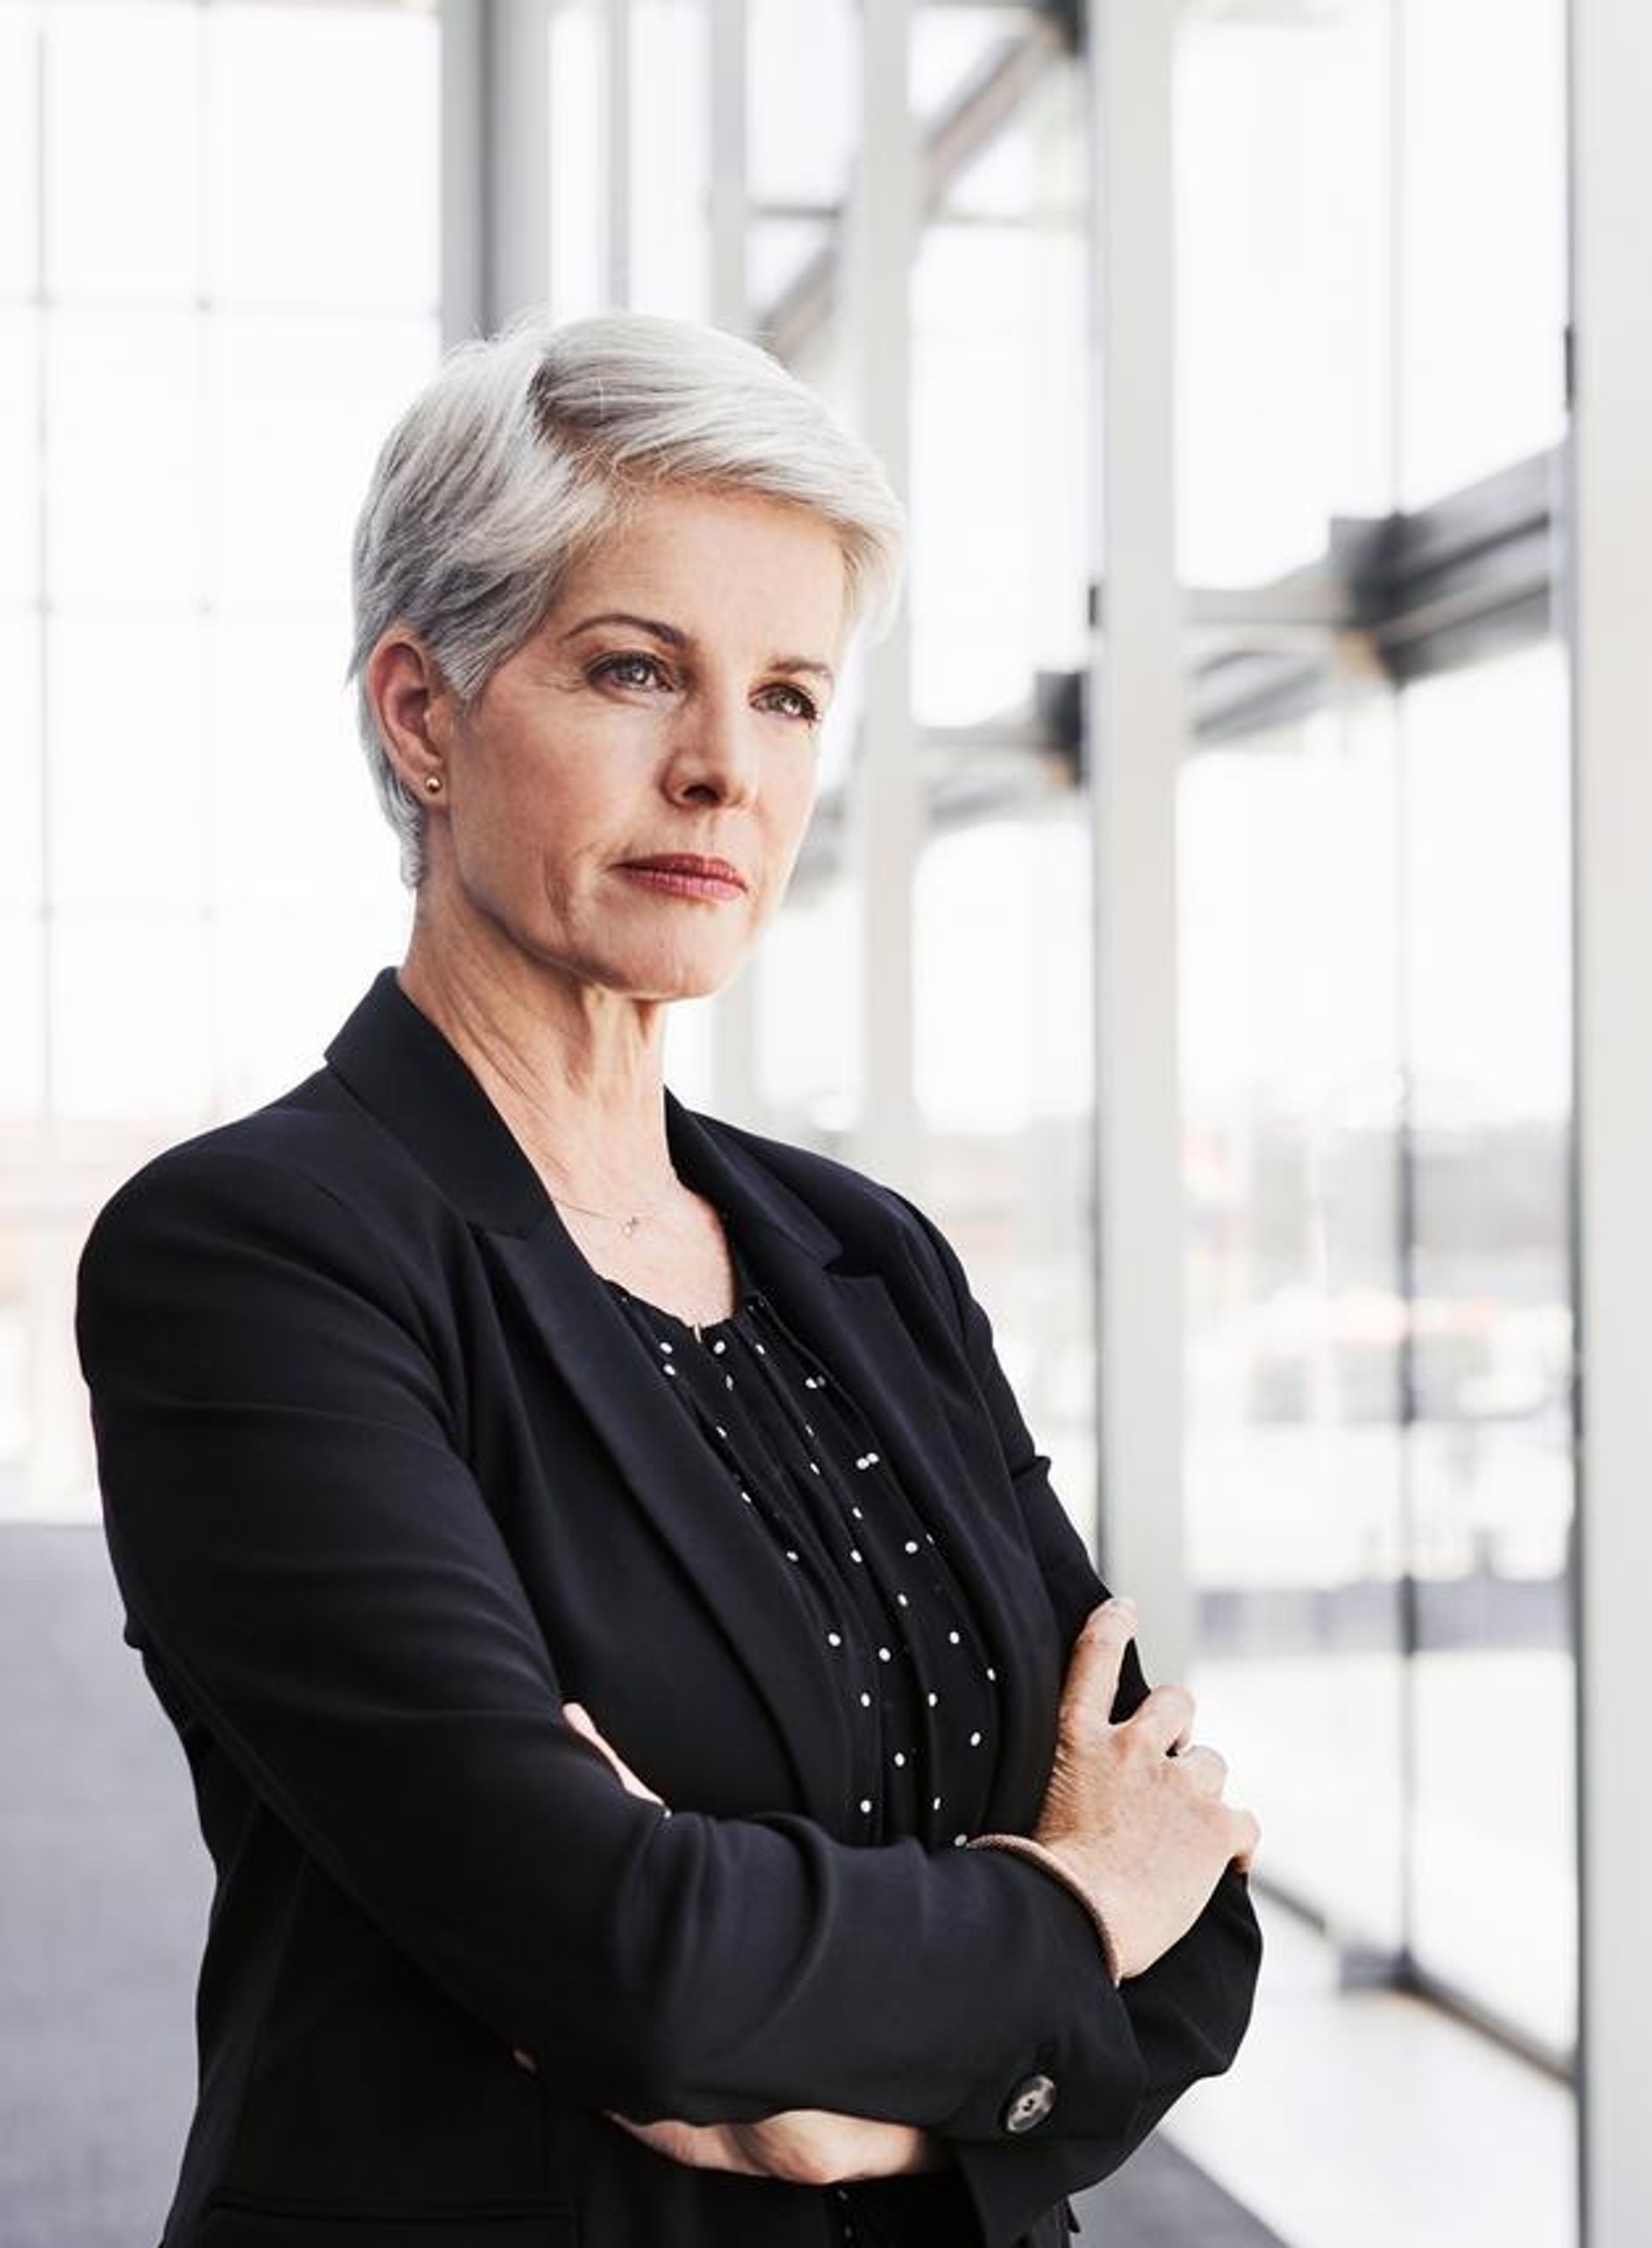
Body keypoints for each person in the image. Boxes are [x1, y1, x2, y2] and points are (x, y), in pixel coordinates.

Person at [71, 309, 1262, 2248]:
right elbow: (631, 1955)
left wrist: (858, 2111)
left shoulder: (863, 1255)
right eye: (637, 670)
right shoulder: (255, 1260)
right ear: (422, 712)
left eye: (789, 695)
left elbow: (1197, 1903)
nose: (723, 769)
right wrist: (1066, 1912)